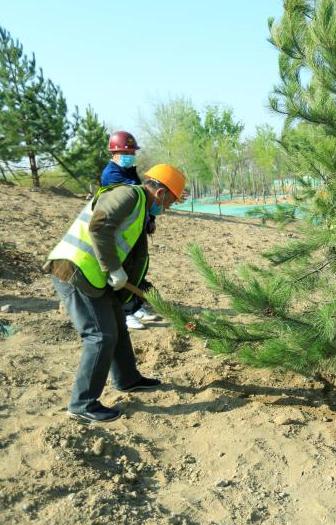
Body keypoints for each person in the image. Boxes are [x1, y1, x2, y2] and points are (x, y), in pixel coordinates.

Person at [44, 164, 187, 423]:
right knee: (100, 336)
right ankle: (82, 403)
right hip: (75, 270)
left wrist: (134, 288)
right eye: (171, 202)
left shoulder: (141, 208)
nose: (167, 209)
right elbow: (99, 227)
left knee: (117, 325)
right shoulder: (129, 195)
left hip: (96, 276)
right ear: (162, 193)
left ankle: (127, 379)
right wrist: (113, 268)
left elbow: (132, 255)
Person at [101, 131, 158, 330]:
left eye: (132, 151)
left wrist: (150, 218)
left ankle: (134, 307)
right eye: (126, 151)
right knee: (124, 270)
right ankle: (124, 313)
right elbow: (133, 197)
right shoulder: (111, 174)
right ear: (114, 152)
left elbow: (143, 199)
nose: (130, 155)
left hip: (136, 227)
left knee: (138, 269)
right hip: (121, 230)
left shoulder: (129, 171)